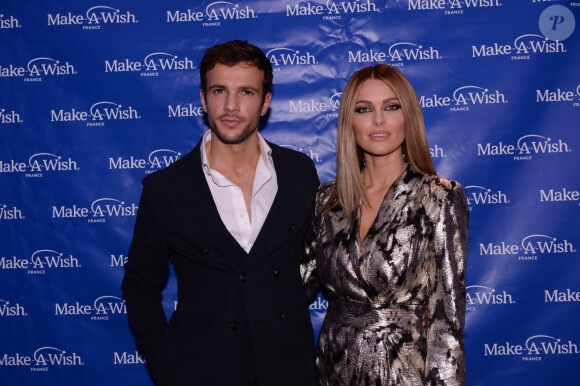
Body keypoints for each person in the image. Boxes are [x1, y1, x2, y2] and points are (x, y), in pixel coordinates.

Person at [122, 40, 319, 386]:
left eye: (245, 92)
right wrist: (165, 364)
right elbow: (140, 286)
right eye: (219, 91)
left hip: (289, 370)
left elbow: (319, 262)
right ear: (203, 99)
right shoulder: (165, 189)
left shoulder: (299, 173)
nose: (230, 106)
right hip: (201, 371)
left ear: (265, 103)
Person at [302, 64, 468, 385]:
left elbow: (445, 320)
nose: (378, 120)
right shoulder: (326, 200)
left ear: (409, 117)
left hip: (405, 372)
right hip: (333, 369)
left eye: (391, 107)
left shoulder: (439, 197)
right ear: (350, 121)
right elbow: (295, 285)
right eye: (364, 109)